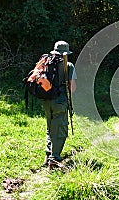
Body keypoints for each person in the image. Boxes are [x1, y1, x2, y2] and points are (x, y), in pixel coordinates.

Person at [42, 41, 77, 169]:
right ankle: (54, 158)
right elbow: (72, 88)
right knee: (60, 129)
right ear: (66, 53)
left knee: (50, 127)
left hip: (46, 101)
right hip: (60, 102)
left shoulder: (46, 63)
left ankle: (48, 154)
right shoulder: (69, 65)